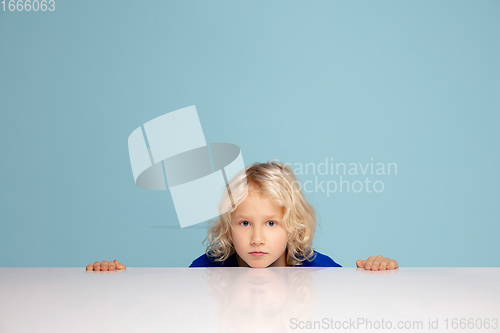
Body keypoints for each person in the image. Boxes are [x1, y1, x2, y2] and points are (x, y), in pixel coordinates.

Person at [86, 161, 398, 271]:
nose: (257, 238)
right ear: (228, 226)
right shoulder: (208, 270)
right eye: (245, 223)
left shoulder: (315, 269)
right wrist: (116, 283)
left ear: (293, 228)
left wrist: (376, 270)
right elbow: (168, 308)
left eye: (272, 223)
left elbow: (354, 300)